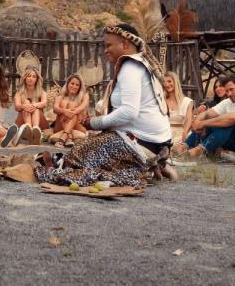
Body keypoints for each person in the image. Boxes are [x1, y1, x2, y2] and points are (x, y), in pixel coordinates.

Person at [36, 23, 174, 187]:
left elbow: (129, 112)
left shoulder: (130, 68)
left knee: (79, 155)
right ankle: (153, 163)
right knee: (85, 147)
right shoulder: (139, 65)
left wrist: (94, 123)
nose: (105, 50)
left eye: (108, 45)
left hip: (139, 144)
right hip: (152, 143)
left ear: (124, 44)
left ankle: (145, 165)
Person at [177, 79, 227, 147]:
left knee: (206, 126)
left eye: (221, 86)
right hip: (208, 130)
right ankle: (186, 145)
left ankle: (187, 146)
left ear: (226, 87)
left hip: (221, 132)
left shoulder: (231, 102)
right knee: (201, 127)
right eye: (216, 87)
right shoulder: (212, 103)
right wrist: (198, 112)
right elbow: (196, 117)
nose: (218, 89)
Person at [49, 74, 89, 148]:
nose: (74, 86)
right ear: (67, 84)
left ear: (80, 87)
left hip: (78, 126)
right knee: (63, 108)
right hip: (60, 126)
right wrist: (64, 111)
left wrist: (71, 112)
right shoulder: (59, 97)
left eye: (77, 85)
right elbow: (55, 109)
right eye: (72, 83)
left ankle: (64, 137)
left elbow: (82, 107)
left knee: (74, 110)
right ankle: (69, 136)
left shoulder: (84, 96)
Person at [13, 67, 47, 144]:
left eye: (34, 76)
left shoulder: (42, 92)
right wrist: (24, 106)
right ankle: (30, 130)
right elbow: (17, 107)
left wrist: (33, 105)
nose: (30, 78)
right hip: (23, 121)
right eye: (28, 76)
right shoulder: (19, 93)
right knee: (25, 102)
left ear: (37, 79)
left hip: (39, 121)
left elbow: (44, 103)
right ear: (25, 78)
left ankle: (35, 130)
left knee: (36, 108)